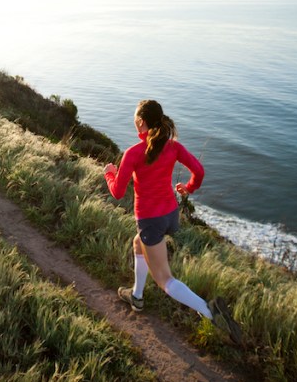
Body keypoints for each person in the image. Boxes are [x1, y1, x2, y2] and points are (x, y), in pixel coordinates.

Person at [103, 99, 240, 342]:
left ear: (141, 122)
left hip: (151, 221)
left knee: (165, 280)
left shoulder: (134, 153)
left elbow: (117, 192)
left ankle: (211, 312)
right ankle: (136, 296)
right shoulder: (173, 147)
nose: (134, 121)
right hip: (170, 215)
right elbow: (199, 171)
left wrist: (109, 174)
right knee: (138, 245)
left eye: (135, 118)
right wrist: (188, 188)